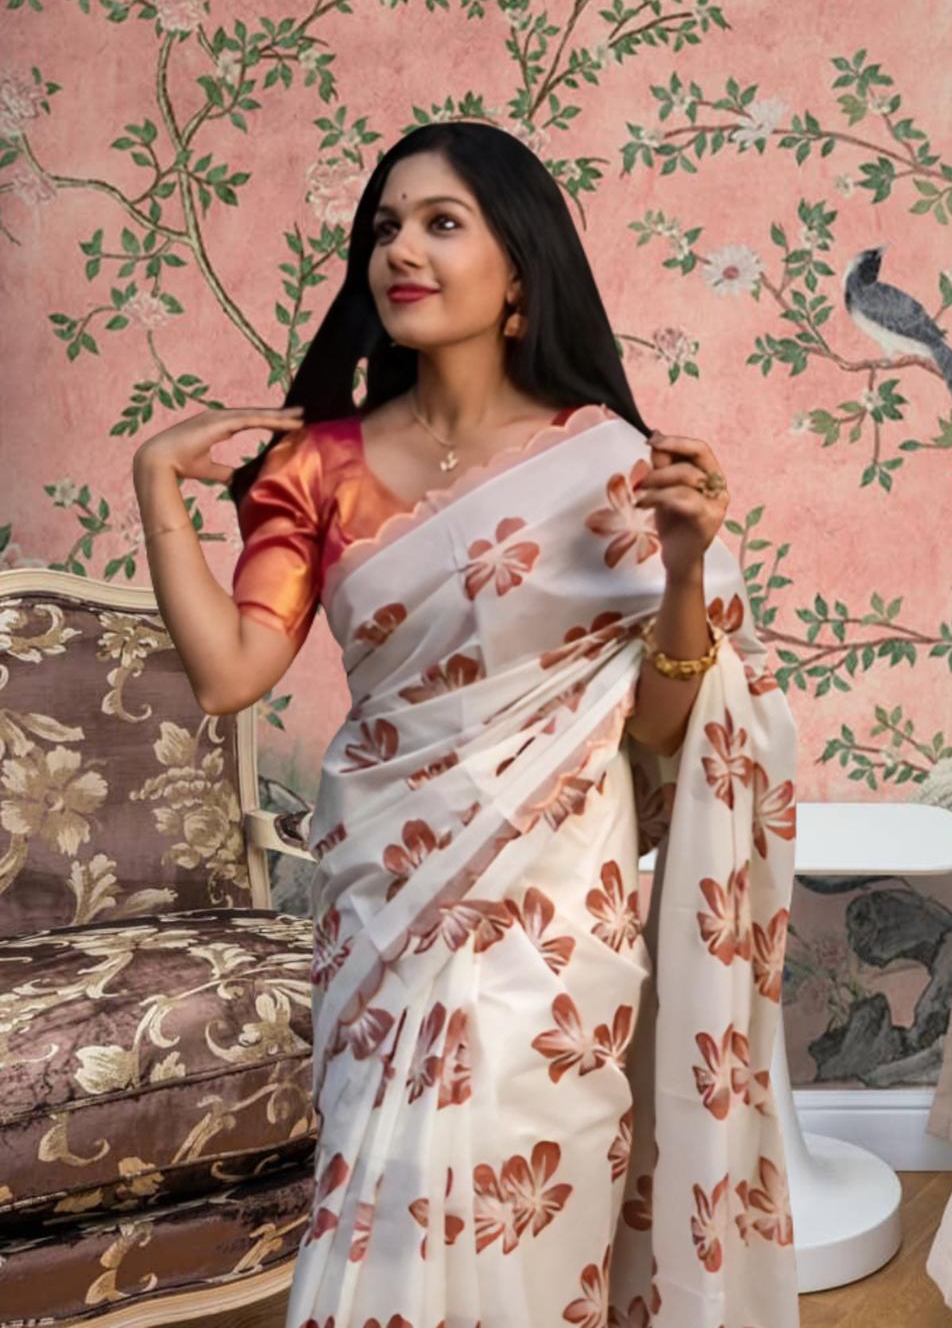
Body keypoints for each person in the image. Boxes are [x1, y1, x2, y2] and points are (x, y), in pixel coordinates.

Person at [132, 120, 799, 1327]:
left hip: (554, 912)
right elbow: (233, 675)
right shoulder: (317, 467)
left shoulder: (605, 462)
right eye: (386, 226)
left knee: (530, 1200)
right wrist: (155, 490)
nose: (402, 248)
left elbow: (659, 728)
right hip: (386, 894)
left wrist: (688, 569)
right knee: (379, 1190)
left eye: (443, 222)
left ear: (521, 276)